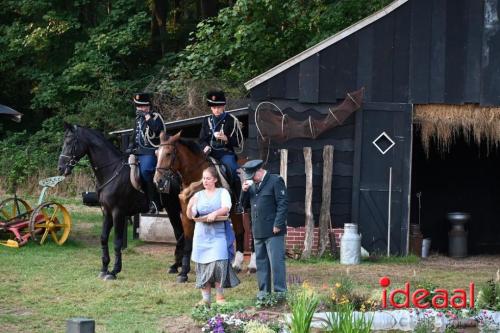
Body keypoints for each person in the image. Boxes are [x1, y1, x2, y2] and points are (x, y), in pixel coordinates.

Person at [187, 166, 240, 306]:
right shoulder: (197, 195)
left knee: (219, 264)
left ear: (215, 179)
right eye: (203, 178)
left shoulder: (223, 192)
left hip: (218, 234)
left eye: (208, 178)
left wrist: (215, 214)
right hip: (201, 235)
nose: (205, 181)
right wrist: (189, 205)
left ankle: (220, 297)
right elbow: (191, 216)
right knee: (203, 266)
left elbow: (226, 208)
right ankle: (205, 299)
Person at [240, 159, 288, 300]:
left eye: (253, 176)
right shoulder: (252, 185)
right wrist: (243, 191)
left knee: (276, 263)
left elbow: (283, 204)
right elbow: (243, 206)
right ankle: (264, 293)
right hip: (258, 229)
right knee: (261, 262)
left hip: (274, 230)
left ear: (260, 171)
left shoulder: (275, 180)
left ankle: (280, 293)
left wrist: (278, 224)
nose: (251, 179)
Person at [199, 90, 243, 214]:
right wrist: (205, 146)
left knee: (233, 169)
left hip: (225, 152)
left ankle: (239, 201)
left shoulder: (231, 120)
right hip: (210, 153)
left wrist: (226, 139)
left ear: (223, 106)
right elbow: (201, 139)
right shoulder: (206, 120)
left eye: (218, 107)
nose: (216, 110)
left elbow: (238, 141)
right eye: (213, 107)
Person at [126, 92, 164, 214]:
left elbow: (159, 131)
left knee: (146, 171)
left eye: (142, 106)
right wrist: (130, 147)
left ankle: (154, 201)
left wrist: (148, 117)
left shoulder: (155, 117)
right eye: (138, 106)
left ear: (148, 106)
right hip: (137, 151)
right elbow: (134, 134)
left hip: (150, 151)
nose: (140, 109)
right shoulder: (137, 119)